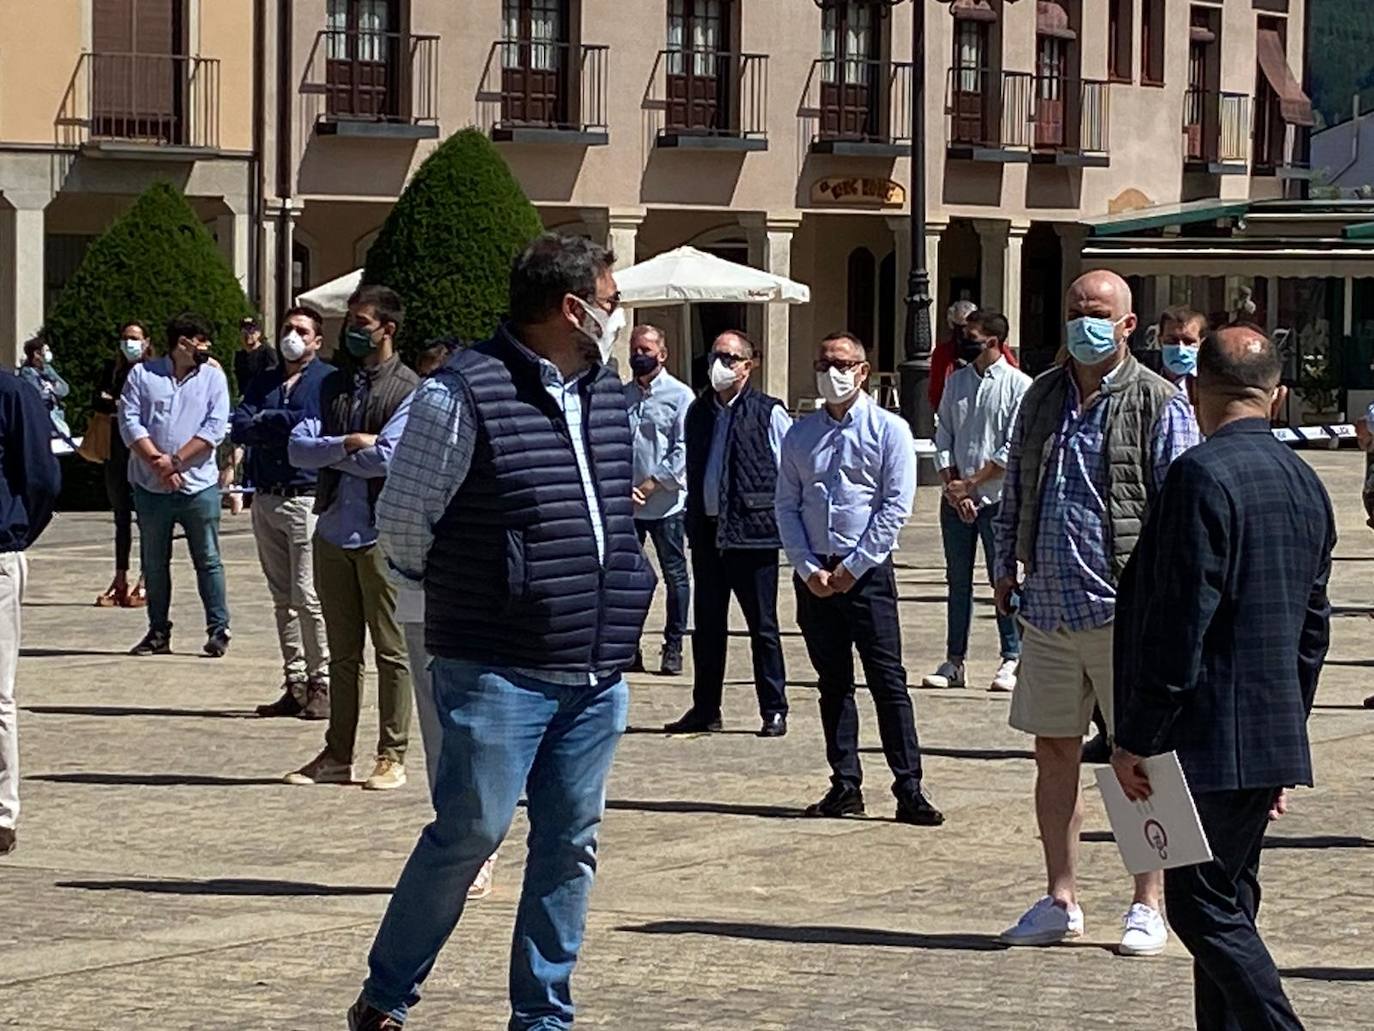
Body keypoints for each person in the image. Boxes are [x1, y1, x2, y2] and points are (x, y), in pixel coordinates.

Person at [346, 234, 654, 1031]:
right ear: (572, 307)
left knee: (569, 842)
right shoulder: (463, 391)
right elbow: (403, 526)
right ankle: (387, 993)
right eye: (611, 299)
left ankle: (542, 1014)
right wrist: (470, 599)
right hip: (496, 663)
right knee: (472, 830)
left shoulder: (607, 390)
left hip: (593, 665)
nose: (619, 315)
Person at [1112, 326, 1331, 1031]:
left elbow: (1178, 619)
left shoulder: (1200, 475)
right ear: (1278, 396)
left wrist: (1137, 733)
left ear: (1195, 389)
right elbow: (1312, 630)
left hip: (1201, 735)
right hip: (1264, 731)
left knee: (1200, 906)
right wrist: (1284, 736)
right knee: (1231, 898)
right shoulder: (1306, 481)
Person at [992, 270, 1200, 956]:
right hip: (1048, 608)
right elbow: (1019, 486)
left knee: (1137, 758)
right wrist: (1004, 563)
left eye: (1099, 312)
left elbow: (1181, 510)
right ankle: (1060, 897)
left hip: (1124, 613)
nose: (1086, 321)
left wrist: (1170, 604)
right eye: (1077, 309)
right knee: (1053, 753)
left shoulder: (1158, 401)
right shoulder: (1042, 396)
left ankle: (1148, 901)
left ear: (1128, 325)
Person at [777, 332, 944, 826]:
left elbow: (895, 507)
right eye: (824, 362)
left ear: (863, 370)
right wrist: (807, 568)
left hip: (865, 573)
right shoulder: (799, 434)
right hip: (815, 575)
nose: (833, 372)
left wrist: (854, 567)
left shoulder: (888, 429)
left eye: (843, 363)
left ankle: (908, 786)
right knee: (833, 684)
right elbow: (787, 504)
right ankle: (844, 783)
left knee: (887, 681)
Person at [284, 285, 416, 793]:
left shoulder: (409, 388)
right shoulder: (332, 385)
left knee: (391, 650)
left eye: (363, 322)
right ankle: (337, 753)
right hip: (334, 527)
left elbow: (388, 458)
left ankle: (392, 752)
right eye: (351, 321)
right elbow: (299, 448)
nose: (353, 330)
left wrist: (335, 452)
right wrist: (347, 443)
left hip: (381, 534)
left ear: (387, 328)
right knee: (342, 654)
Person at [393, 337, 498, 904]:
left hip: (482, 605)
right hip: (426, 600)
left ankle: (479, 840)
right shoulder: (419, 421)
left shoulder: (487, 429)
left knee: (481, 731)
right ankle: (464, 844)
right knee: (439, 733)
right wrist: (413, 573)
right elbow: (404, 515)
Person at [665, 330, 792, 737]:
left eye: (729, 357)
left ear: (748, 365)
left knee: (763, 628)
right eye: (715, 355)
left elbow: (789, 472)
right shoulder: (699, 411)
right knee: (707, 628)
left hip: (753, 534)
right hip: (707, 532)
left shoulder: (768, 412)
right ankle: (705, 707)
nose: (720, 364)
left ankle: (773, 708)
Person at [230, 305, 334, 720]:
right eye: (288, 328)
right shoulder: (265, 379)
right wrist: (278, 421)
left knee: (309, 595)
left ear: (316, 340)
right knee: (281, 598)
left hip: (305, 496)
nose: (293, 335)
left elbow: (312, 425)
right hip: (266, 495)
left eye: (301, 330)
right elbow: (239, 424)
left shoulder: (327, 381)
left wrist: (269, 421)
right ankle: (293, 681)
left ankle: (321, 681)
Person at [925, 308, 1029, 692]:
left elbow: (1011, 447)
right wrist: (953, 487)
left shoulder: (1019, 386)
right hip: (956, 500)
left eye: (970, 334)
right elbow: (944, 436)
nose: (962, 341)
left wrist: (972, 484)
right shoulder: (956, 382)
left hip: (997, 500)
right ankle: (955, 660)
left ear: (992, 340)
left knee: (1001, 579)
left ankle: (1011, 657)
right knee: (957, 581)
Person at [118, 313, 232, 659]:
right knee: (154, 561)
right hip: (151, 486)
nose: (205, 348)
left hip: (198, 485)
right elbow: (129, 421)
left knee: (208, 558)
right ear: (182, 344)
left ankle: (218, 628)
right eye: (199, 341)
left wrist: (177, 461)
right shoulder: (142, 374)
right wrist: (158, 464)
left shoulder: (213, 378)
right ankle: (157, 630)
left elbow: (215, 427)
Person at [0, 369, 62, 856]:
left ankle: (3, 812)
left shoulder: (12, 392)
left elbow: (41, 475)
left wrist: (17, 533)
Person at [625, 323, 693, 675]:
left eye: (646, 350)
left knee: (675, 576)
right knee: (628, 577)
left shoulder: (681, 396)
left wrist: (652, 485)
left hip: (666, 504)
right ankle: (628, 646)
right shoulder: (622, 396)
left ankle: (674, 646)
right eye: (635, 349)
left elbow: (683, 450)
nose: (639, 355)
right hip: (628, 506)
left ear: (662, 355)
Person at [92, 321, 151, 608]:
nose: (130, 343)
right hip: (116, 448)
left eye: (135, 338)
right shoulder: (112, 370)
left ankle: (145, 580)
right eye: (126, 338)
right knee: (121, 517)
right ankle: (119, 578)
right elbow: (98, 400)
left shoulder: (152, 372)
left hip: (141, 448)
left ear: (147, 342)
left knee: (147, 517)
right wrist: (120, 404)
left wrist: (118, 404)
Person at [929, 299, 1021, 412]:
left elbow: (1012, 370)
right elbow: (936, 390)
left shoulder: (999, 351)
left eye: (969, 331)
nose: (963, 334)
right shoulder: (943, 353)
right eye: (959, 328)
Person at [18, 335, 72, 439]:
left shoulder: (48, 369)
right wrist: (52, 390)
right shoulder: (27, 372)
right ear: (37, 353)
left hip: (56, 415)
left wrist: (52, 388)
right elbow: (38, 393)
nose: (48, 353)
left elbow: (65, 388)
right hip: (41, 416)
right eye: (46, 350)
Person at [1159, 305, 1208, 391]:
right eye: (1172, 340)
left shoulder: (1211, 387)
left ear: (1202, 343)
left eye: (1188, 341)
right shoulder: (1143, 383)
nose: (1180, 349)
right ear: (1160, 341)